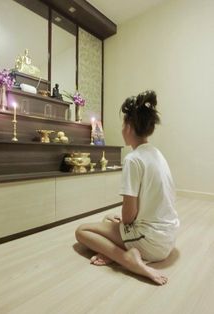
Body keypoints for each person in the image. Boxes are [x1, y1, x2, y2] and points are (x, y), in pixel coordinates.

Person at [75, 90, 180, 285]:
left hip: (152, 242)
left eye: (124, 124)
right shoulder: (156, 153)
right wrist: (124, 222)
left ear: (129, 127)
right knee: (108, 218)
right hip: (169, 237)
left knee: (81, 231)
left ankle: (126, 259)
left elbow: (129, 215)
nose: (122, 128)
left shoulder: (133, 159)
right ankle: (120, 252)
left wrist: (125, 221)